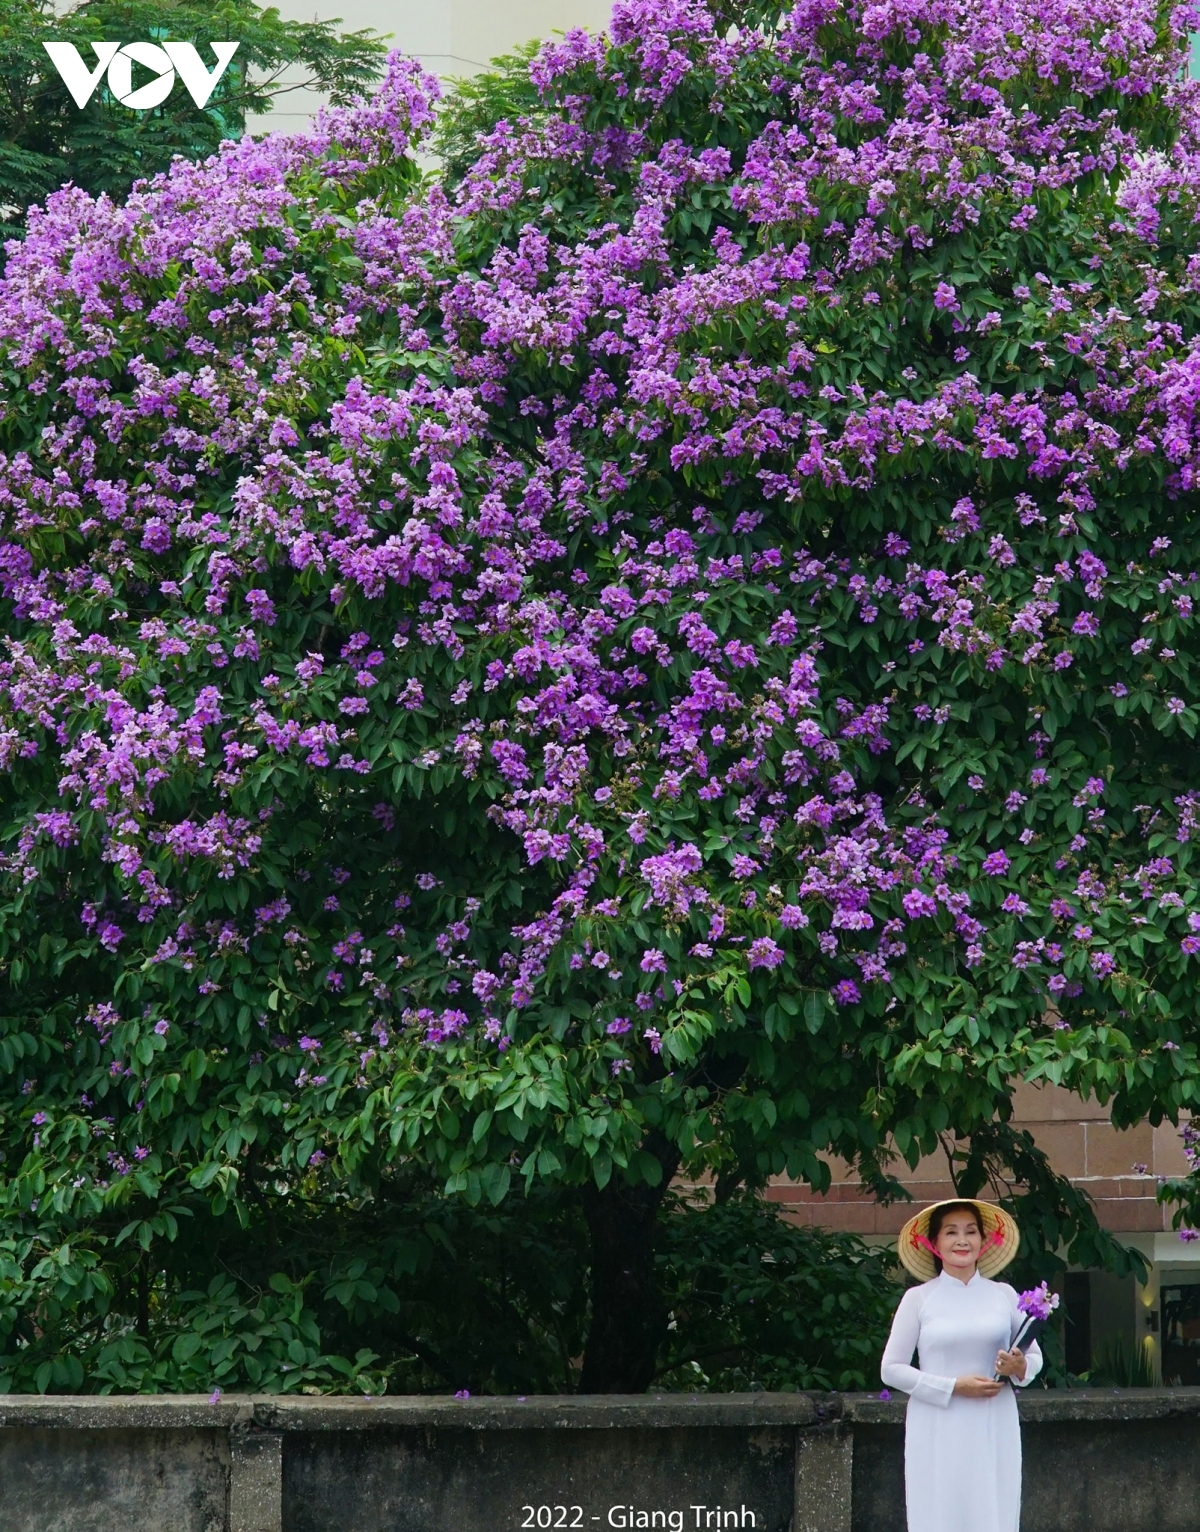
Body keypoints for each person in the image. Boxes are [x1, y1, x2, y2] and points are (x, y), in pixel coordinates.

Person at [880, 1198, 1042, 1532]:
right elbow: (892, 1368)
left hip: (994, 1420)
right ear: (935, 1243)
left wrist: (1018, 1366)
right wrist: (953, 1386)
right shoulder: (919, 1298)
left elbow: (1034, 1358)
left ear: (985, 1240)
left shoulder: (1005, 1295)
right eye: (951, 1232)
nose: (962, 1240)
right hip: (938, 1422)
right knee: (941, 1511)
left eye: (971, 1232)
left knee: (993, 1508)